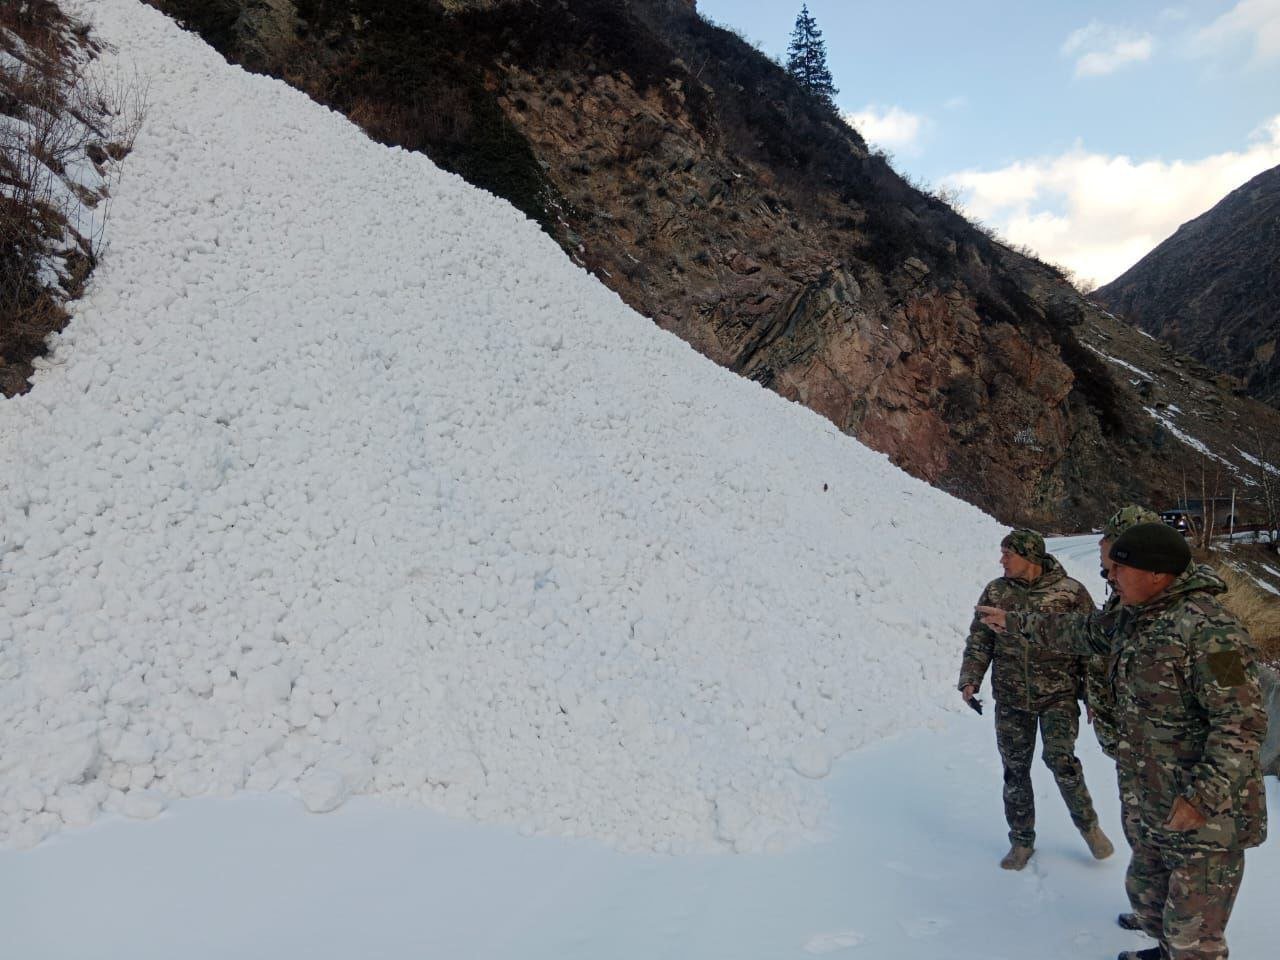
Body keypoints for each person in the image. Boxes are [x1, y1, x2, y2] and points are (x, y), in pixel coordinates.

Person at [981, 523, 1268, 960]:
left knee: (1195, 936)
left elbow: (1242, 723)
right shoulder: (1135, 615)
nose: (1109, 577)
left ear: (1157, 574)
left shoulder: (1214, 633)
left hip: (1205, 814)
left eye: (1119, 568)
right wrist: (1015, 622)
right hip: (1153, 796)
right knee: (1149, 898)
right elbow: (1082, 632)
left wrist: (1201, 799)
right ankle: (1164, 948)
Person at [958, 529, 1113, 870]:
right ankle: (1021, 841)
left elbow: (1092, 645)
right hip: (1011, 696)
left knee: (1061, 760)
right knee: (1015, 769)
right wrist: (970, 678)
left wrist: (1092, 694)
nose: (1001, 560)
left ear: (1028, 556)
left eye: (1007, 554)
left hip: (1058, 694)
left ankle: (1089, 826)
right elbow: (980, 639)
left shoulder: (1070, 592)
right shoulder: (996, 591)